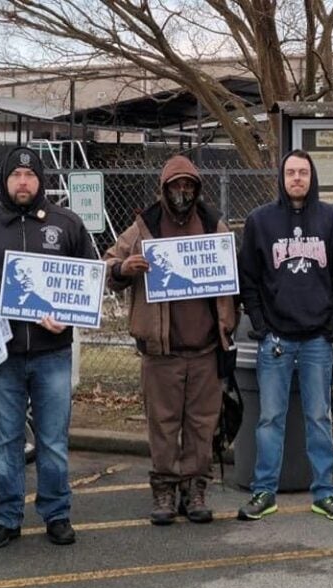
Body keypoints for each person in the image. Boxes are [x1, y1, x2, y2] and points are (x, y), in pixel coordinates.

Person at [0, 147, 97, 550]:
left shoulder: (66, 224)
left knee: (52, 439)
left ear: (41, 180)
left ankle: (56, 513)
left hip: (52, 353)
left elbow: (86, 283)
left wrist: (68, 315)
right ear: (4, 180)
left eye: (29, 175)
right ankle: (6, 516)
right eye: (15, 175)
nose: (22, 182)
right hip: (2, 356)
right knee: (4, 441)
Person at [104, 154, 237, 526]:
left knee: (202, 424)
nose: (182, 192)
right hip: (161, 350)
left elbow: (232, 277)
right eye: (176, 185)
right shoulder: (144, 227)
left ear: (197, 188)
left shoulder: (213, 225)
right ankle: (164, 487)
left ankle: (195, 488)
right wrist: (123, 268)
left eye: (189, 185)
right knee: (162, 424)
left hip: (207, 348)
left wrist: (229, 322)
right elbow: (108, 266)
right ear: (164, 188)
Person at [236, 150, 333, 522]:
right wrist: (260, 322)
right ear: (282, 178)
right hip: (275, 340)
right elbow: (249, 279)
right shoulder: (260, 221)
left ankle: (324, 492)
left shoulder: (332, 220)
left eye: (303, 172)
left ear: (312, 176)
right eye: (291, 172)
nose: (297, 178)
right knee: (270, 419)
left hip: (317, 340)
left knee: (319, 417)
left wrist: (332, 325)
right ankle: (263, 492)